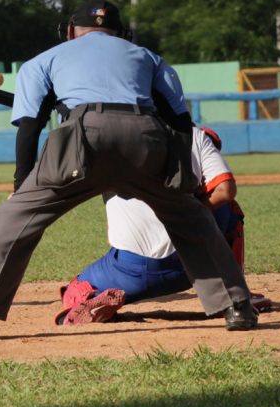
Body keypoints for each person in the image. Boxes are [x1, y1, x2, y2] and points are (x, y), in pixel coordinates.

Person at [0, 0, 257, 342]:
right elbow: (180, 122)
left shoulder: (45, 60)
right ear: (123, 32)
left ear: (69, 31)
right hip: (145, 137)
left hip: (83, 138)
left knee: (10, 221)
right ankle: (237, 305)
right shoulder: (147, 57)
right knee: (192, 219)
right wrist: (179, 179)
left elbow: (30, 126)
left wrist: (22, 184)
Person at [55, 125, 267, 324]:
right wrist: (188, 211)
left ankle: (93, 299)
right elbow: (225, 191)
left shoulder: (108, 142)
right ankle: (235, 295)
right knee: (229, 209)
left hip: (130, 270)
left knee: (73, 292)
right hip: (195, 267)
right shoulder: (194, 134)